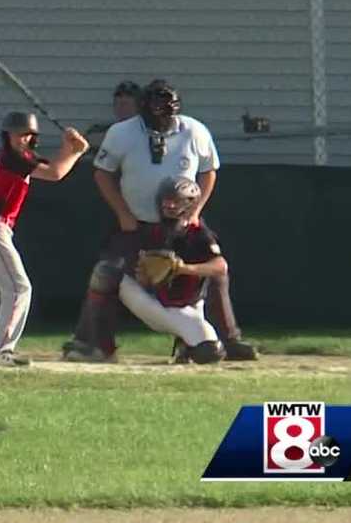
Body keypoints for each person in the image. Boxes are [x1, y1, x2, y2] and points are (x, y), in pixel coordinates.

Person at [61, 79, 257, 363]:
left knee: (215, 273)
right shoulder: (122, 133)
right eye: (154, 112)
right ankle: (93, 342)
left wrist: (195, 212)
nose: (160, 118)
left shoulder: (195, 131)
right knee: (105, 273)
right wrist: (123, 215)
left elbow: (208, 171)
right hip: (137, 222)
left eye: (166, 112)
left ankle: (228, 339)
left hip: (182, 224)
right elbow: (102, 173)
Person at [0, 112, 89, 367]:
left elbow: (55, 167)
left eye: (27, 134)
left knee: (14, 289)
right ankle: (2, 351)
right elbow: (56, 173)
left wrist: (69, 149)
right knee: (18, 289)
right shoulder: (13, 157)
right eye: (17, 134)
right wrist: (75, 151)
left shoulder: (22, 158)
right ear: (7, 136)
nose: (22, 138)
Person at [119, 177, 229, 365]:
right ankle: (95, 342)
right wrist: (144, 275)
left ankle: (186, 342)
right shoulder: (153, 233)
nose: (169, 205)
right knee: (107, 274)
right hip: (155, 301)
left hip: (188, 305)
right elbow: (142, 275)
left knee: (209, 352)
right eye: (166, 200)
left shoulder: (198, 234)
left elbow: (221, 267)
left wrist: (182, 269)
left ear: (190, 204)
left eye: (176, 201)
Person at [84, 81, 140, 152]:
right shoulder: (97, 132)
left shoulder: (145, 134)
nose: (122, 107)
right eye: (119, 104)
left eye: (126, 104)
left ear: (139, 106)